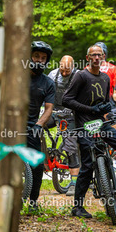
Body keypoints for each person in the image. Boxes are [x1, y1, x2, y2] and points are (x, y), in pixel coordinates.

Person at [62, 44, 116, 218]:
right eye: (93, 55)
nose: (96, 58)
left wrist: (111, 112)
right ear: (88, 57)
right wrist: (90, 109)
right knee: (87, 165)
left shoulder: (105, 77)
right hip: (84, 126)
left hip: (102, 124)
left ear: (104, 56)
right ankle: (78, 207)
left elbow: (107, 101)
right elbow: (66, 99)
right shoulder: (81, 76)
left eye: (99, 55)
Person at [26, 41, 56, 213]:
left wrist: (39, 124)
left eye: (43, 58)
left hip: (33, 127)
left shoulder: (48, 83)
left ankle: (33, 201)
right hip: (10, 125)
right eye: (36, 56)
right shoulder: (16, 77)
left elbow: (49, 108)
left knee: (37, 165)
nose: (39, 60)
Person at [47, 55, 80, 196]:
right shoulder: (52, 74)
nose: (64, 73)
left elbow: (82, 96)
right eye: (62, 70)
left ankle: (74, 183)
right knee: (37, 128)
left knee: (70, 145)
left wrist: (73, 109)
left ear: (73, 67)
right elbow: (46, 92)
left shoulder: (79, 76)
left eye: (67, 70)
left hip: (71, 113)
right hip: (54, 111)